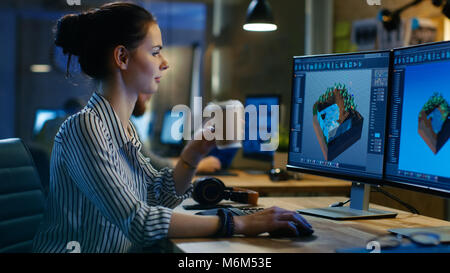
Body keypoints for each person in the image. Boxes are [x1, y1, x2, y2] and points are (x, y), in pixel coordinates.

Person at [32, 2, 313, 253]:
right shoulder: (85, 128)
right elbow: (139, 221)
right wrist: (238, 223)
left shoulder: (121, 127)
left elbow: (156, 196)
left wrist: (193, 153)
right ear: (122, 58)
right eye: (155, 52)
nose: (165, 63)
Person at [132, 92, 222, 173]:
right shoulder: (128, 126)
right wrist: (198, 163)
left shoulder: (130, 125)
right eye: (144, 89)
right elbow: (153, 165)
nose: (150, 94)